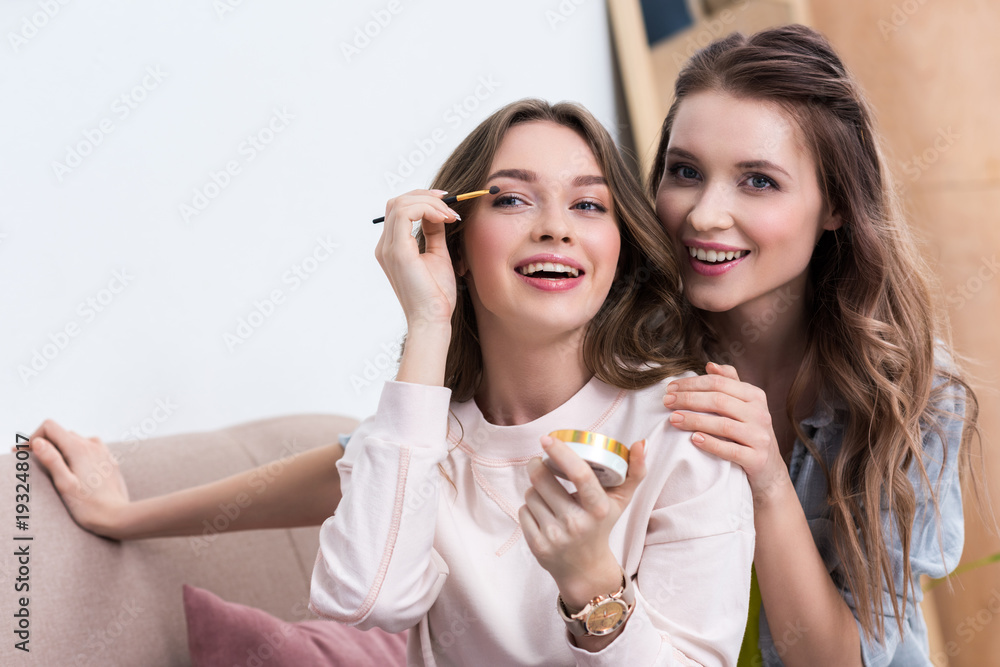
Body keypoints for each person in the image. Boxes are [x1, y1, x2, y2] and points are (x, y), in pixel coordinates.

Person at [26, 99, 755, 665]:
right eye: (511, 198)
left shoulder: (686, 428)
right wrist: (428, 323)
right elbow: (365, 592)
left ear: (619, 245)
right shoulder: (419, 439)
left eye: (589, 204)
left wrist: (594, 584)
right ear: (452, 242)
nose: (556, 227)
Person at [648, 25, 979, 667]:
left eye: (759, 181)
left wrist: (768, 479)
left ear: (834, 206)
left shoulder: (912, 396)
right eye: (685, 171)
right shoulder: (627, 360)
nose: (705, 214)